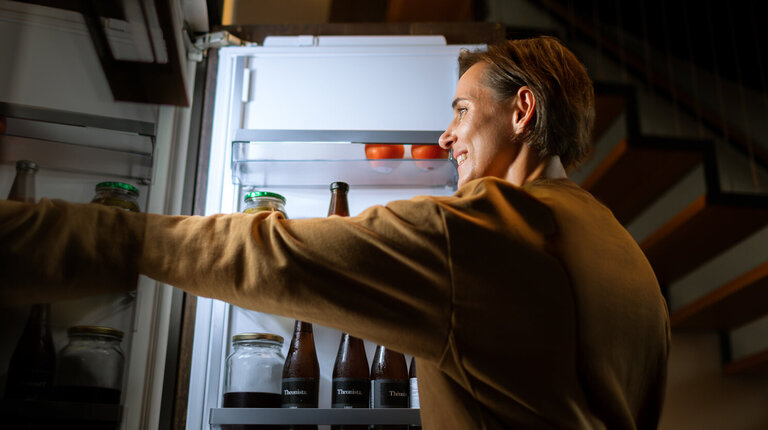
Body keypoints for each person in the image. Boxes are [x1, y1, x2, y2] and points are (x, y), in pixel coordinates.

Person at [0, 36, 669, 429]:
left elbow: (273, 257)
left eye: (462, 109)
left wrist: (68, 236)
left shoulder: (479, 233)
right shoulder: (630, 263)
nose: (445, 136)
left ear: (522, 110)